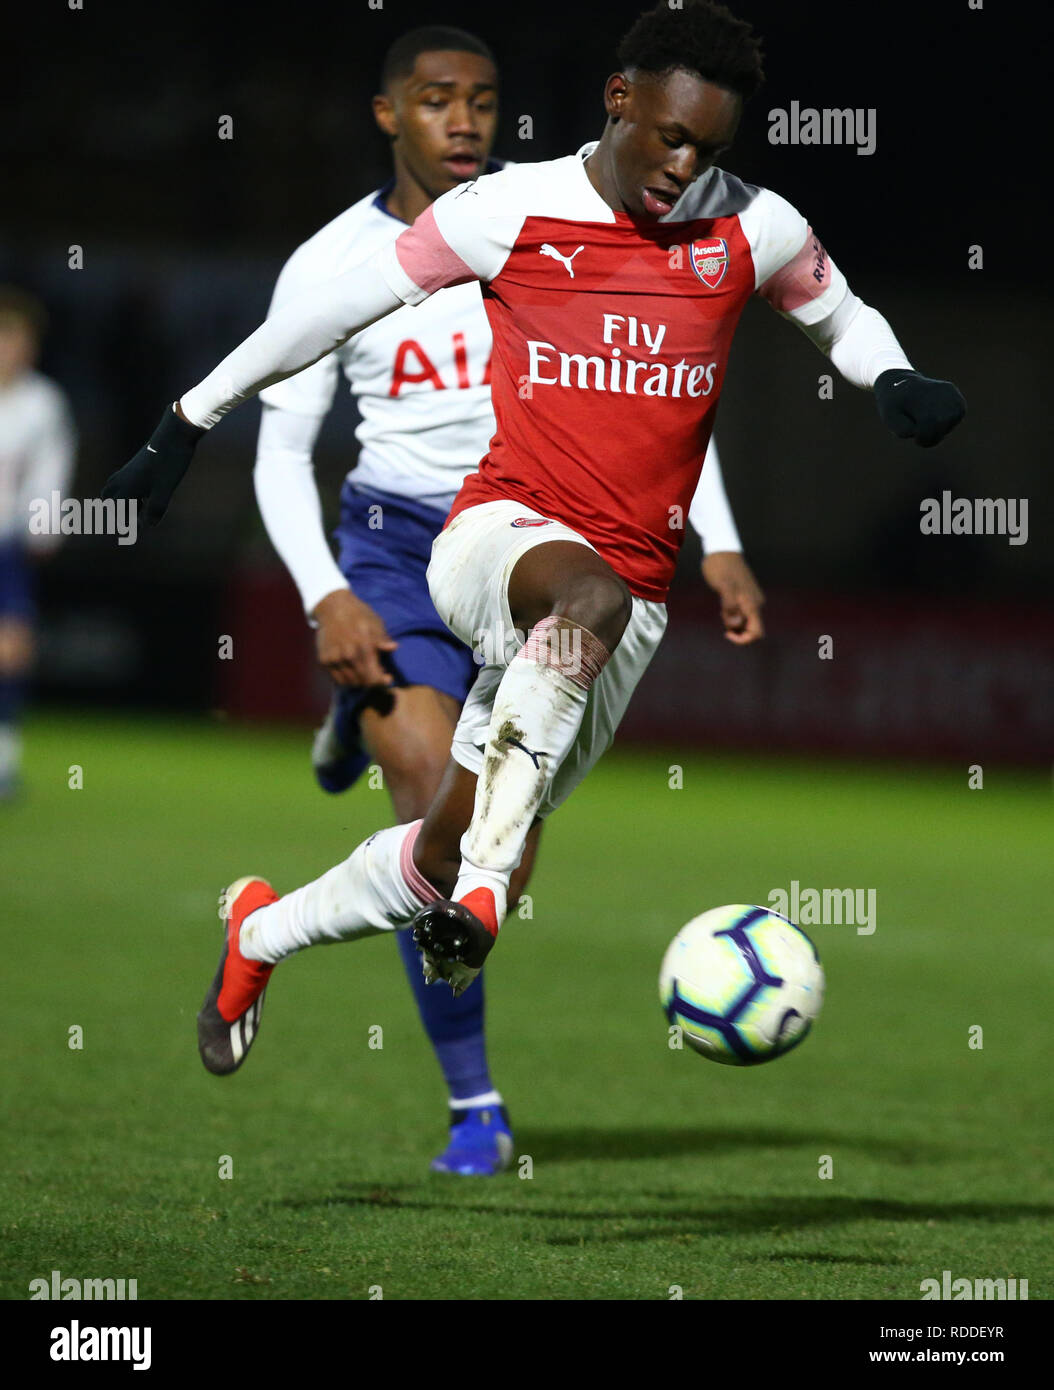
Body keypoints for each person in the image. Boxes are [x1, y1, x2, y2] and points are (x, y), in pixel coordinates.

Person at [101, 1, 964, 1087]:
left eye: (708, 148)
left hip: (632, 603)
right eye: (668, 136)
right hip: (495, 540)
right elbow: (324, 312)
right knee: (566, 643)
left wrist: (889, 375)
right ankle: (485, 904)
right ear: (621, 101)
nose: (683, 165)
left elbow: (836, 312)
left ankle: (260, 935)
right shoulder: (505, 212)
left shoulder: (753, 226)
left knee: (438, 846)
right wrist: (188, 418)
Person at [254, 24, 764, 1175]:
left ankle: (356, 747)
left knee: (494, 845)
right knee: (437, 794)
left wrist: (717, 540)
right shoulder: (334, 260)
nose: (466, 120)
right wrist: (325, 595)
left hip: (544, 540)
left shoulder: (560, 224)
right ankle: (473, 1102)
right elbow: (281, 451)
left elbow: (658, 409)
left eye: (482, 98)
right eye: (437, 100)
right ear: (391, 115)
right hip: (396, 545)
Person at [0, 287, 76, 799]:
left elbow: (51, 469)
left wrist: (45, 525)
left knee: (10, 649)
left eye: (17, 340)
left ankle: (3, 756)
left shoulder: (42, 403)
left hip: (6, 543)